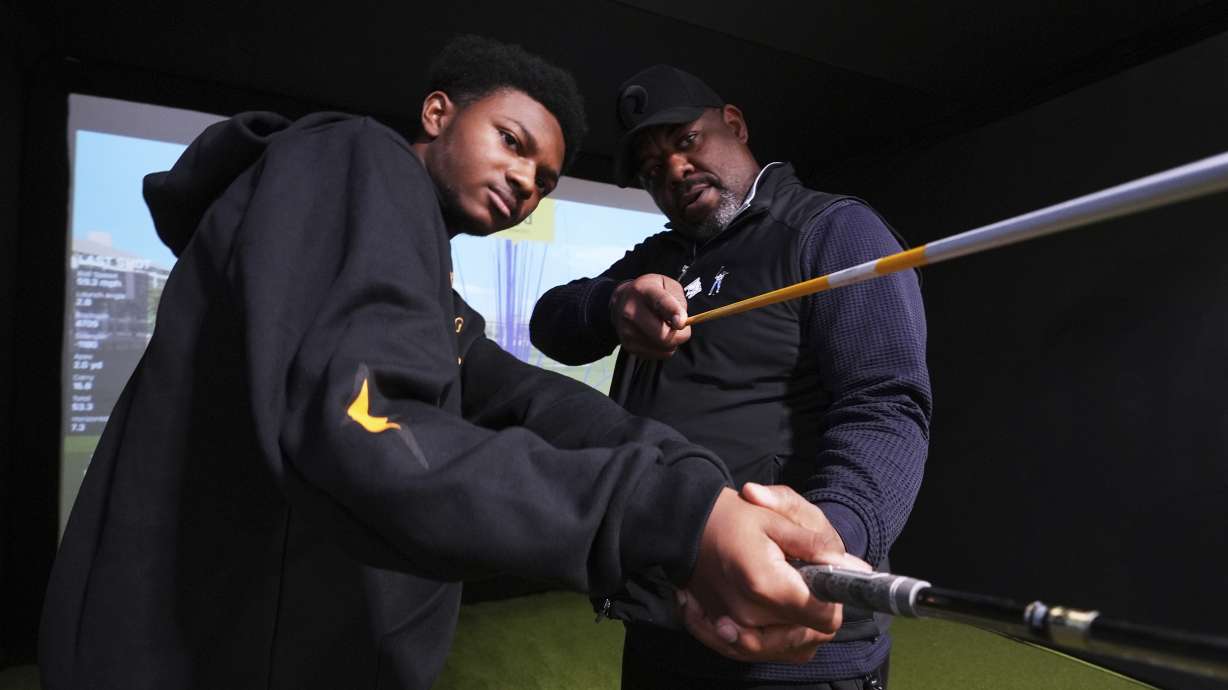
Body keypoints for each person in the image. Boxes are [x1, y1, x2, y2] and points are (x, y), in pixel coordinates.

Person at [39, 39, 863, 690]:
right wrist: (664, 510)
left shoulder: (412, 274)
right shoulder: (355, 158)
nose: (524, 183)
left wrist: (692, 486)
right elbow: (366, 426)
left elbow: (508, 390)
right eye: (511, 142)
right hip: (202, 655)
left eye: (543, 180)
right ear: (438, 113)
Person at [531, 64, 933, 689]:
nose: (673, 170)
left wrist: (827, 541)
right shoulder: (661, 256)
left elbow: (886, 408)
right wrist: (611, 306)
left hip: (788, 635)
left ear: (736, 126)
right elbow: (548, 321)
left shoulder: (833, 230)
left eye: (686, 140)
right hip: (663, 613)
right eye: (651, 166)